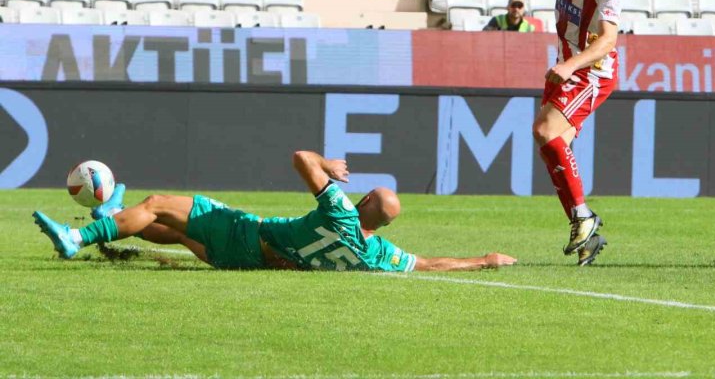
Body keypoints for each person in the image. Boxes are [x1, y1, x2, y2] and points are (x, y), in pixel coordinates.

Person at [32, 150, 517, 272]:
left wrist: (327, 164)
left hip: (248, 234)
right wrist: (484, 260)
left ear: (365, 202)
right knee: (173, 229)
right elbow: (430, 265)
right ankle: (113, 219)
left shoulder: (341, 215)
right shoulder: (375, 255)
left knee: (158, 203)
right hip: (248, 261)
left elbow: (301, 159)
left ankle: (81, 237)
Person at [489, 0, 621, 267]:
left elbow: (609, 40)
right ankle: (584, 235)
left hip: (591, 71)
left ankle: (583, 218)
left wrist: (571, 65)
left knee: (546, 130)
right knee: (551, 144)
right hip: (567, 65)